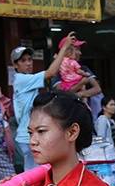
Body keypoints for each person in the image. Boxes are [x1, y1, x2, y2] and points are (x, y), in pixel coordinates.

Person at [11, 31, 75, 171]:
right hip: (28, 136)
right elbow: (50, 73)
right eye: (23, 61)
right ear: (15, 65)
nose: (28, 63)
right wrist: (64, 49)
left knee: (36, 173)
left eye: (29, 59)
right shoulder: (22, 79)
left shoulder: (25, 80)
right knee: (36, 174)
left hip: (27, 135)